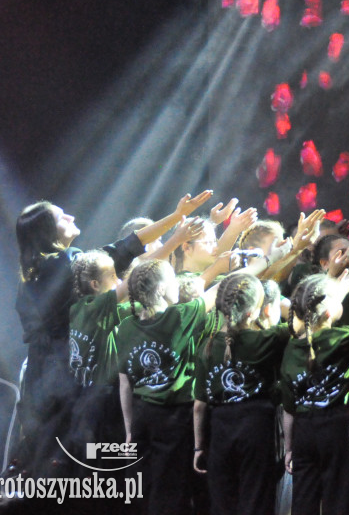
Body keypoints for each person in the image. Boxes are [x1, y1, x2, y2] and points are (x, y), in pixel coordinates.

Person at [14, 190, 211, 476]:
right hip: (77, 380)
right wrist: (176, 222)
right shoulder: (66, 262)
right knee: (97, 460)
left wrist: (176, 221)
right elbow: (125, 255)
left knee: (60, 460)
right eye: (61, 217)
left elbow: (125, 258)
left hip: (44, 380)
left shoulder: (32, 277)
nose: (71, 216)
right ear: (47, 232)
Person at [116, 259, 218, 515]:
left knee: (142, 486)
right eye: (173, 279)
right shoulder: (180, 316)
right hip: (174, 418)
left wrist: (129, 430)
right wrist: (266, 258)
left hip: (141, 415)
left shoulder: (125, 327)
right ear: (161, 288)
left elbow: (124, 384)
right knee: (170, 490)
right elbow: (219, 290)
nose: (177, 285)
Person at [193, 272, 288, 515]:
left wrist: (198, 447)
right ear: (253, 311)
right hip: (257, 428)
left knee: (223, 503)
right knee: (256, 501)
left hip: (219, 429)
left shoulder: (206, 346)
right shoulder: (268, 338)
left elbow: (199, 406)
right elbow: (301, 323)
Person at [279, 271, 349, 515]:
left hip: (304, 430)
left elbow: (288, 410)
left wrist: (289, 448)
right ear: (328, 312)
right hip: (336, 428)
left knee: (304, 499)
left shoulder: (291, 347)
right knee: (339, 497)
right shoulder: (345, 338)